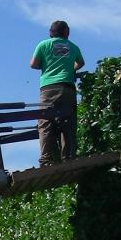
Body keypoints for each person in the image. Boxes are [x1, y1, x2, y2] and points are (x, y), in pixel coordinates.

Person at [30, 20, 85, 166]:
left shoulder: (43, 45)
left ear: (50, 33)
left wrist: (47, 66)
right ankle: (68, 157)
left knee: (46, 123)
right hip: (67, 88)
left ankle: (46, 160)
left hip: (48, 89)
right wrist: (71, 69)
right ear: (67, 32)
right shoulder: (73, 47)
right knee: (68, 123)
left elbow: (33, 64)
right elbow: (81, 62)